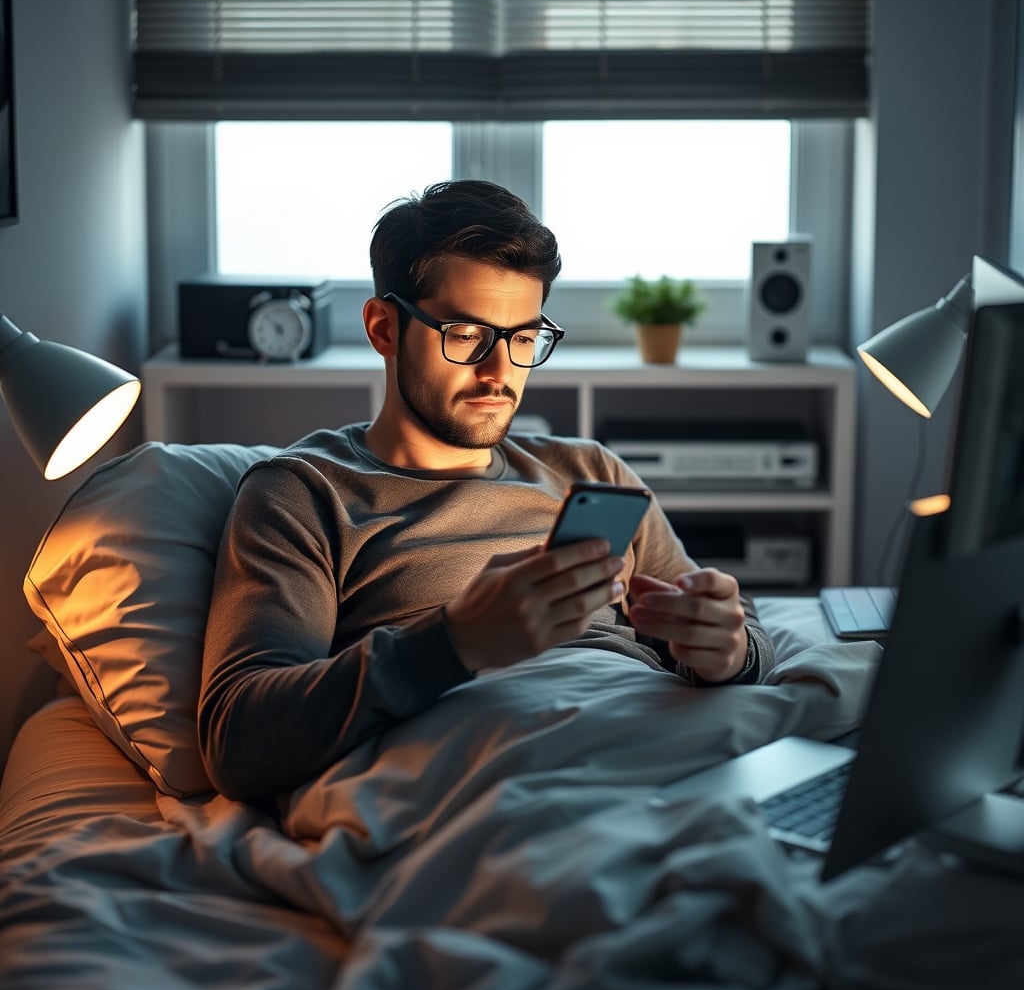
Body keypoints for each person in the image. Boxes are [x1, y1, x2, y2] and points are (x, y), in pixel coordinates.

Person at [199, 179, 776, 800]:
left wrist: (729, 650)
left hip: (657, 747)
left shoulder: (590, 472)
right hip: (490, 773)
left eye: (524, 338)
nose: (499, 373)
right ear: (384, 328)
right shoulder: (305, 494)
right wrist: (455, 641)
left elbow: (746, 640)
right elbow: (238, 739)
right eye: (467, 334)